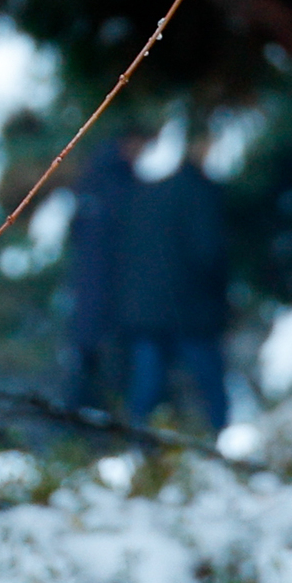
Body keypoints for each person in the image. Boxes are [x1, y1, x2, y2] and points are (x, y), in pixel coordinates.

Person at [115, 147, 228, 433]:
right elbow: (208, 252)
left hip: (145, 310)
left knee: (146, 390)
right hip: (190, 309)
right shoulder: (196, 191)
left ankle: (138, 450)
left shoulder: (133, 194)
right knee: (210, 387)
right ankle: (220, 444)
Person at [62, 136, 135, 413]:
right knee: (104, 371)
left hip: (88, 294)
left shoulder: (88, 186)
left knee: (85, 365)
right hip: (110, 296)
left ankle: (74, 429)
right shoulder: (120, 186)